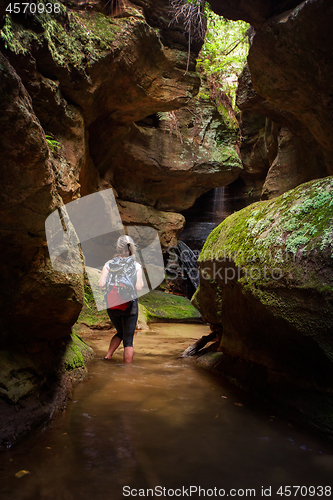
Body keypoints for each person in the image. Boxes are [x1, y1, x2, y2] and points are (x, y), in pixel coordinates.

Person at [98, 235, 144, 363]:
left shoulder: (109, 264)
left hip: (112, 304)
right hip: (129, 306)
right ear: (132, 248)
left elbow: (101, 284)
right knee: (128, 340)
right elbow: (139, 288)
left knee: (120, 331)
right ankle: (127, 373)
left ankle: (108, 356)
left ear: (118, 247)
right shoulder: (136, 266)